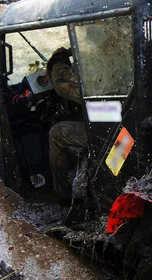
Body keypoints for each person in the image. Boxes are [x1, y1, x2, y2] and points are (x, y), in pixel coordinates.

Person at [46, 47, 88, 201]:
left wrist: (60, 55)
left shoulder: (97, 75)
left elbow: (62, 82)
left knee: (56, 133)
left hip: (111, 125)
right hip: (116, 114)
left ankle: (63, 194)